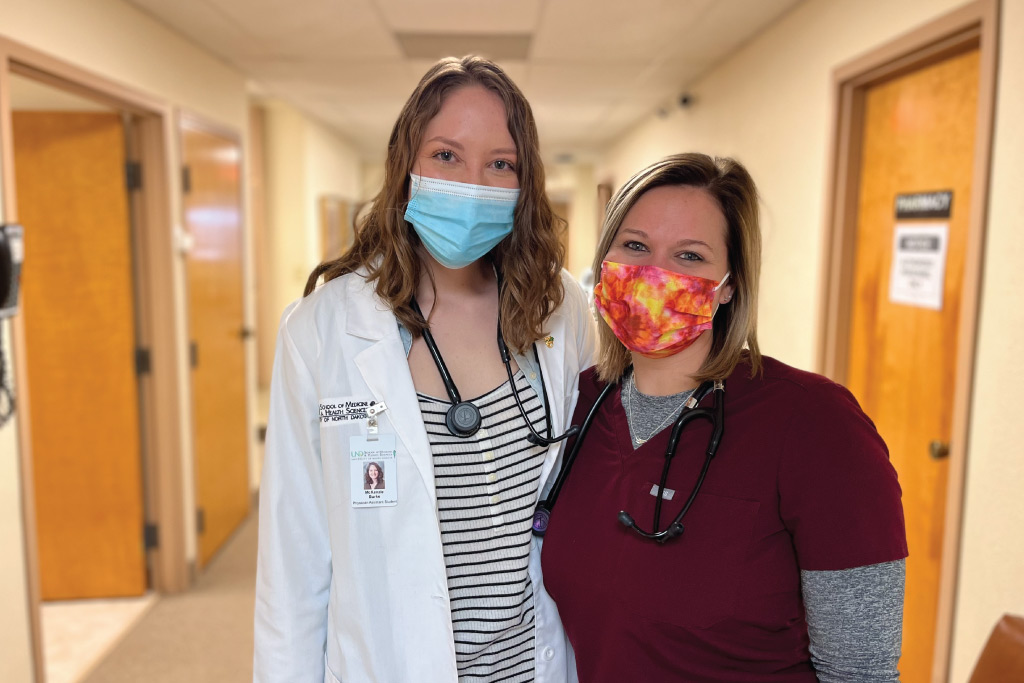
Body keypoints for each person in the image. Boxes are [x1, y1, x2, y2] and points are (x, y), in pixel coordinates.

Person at [254, 55, 595, 683]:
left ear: (525, 182)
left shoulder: (562, 309)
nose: (473, 183)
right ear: (404, 163)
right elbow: (293, 563)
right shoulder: (323, 329)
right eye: (446, 155)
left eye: (501, 163)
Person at [539, 153, 907, 682]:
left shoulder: (815, 425)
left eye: (689, 256)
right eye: (636, 246)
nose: (654, 275)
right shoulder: (578, 405)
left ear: (728, 286)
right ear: (603, 264)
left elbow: (861, 671)